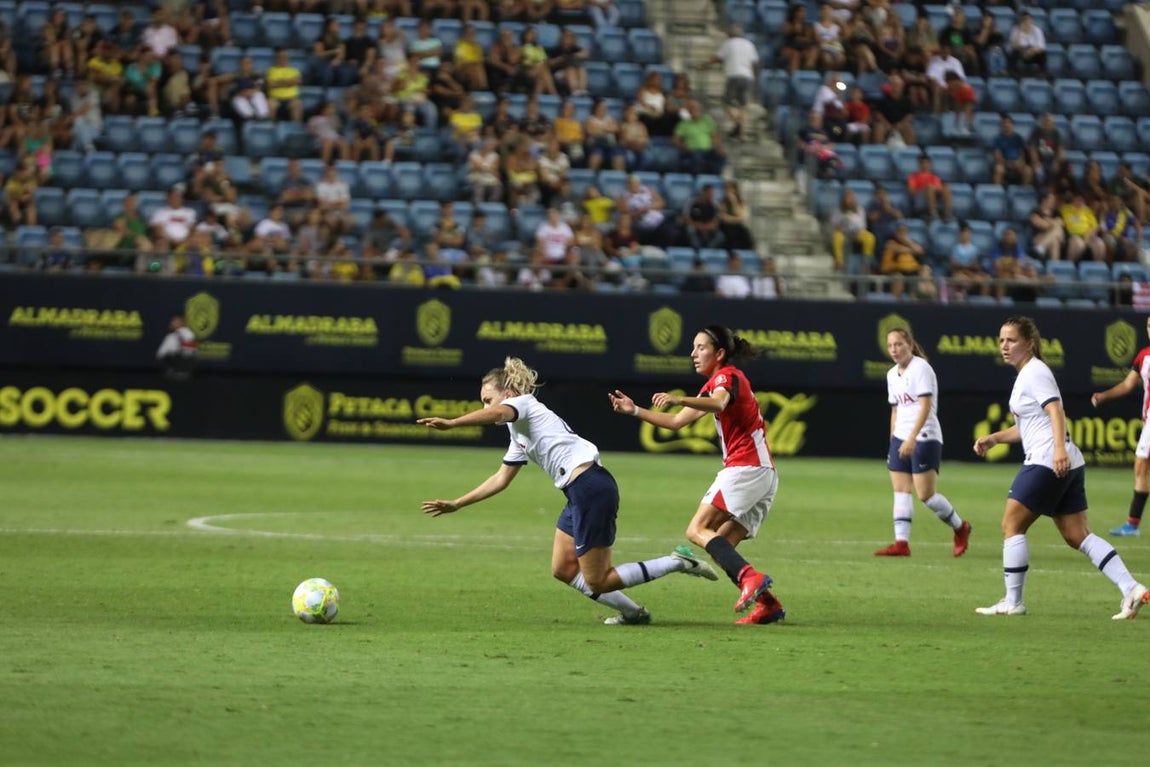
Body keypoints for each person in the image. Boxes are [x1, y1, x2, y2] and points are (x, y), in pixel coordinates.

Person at [418, 358, 718, 626]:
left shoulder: (524, 405)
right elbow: (500, 479)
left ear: (507, 395)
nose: (485, 407)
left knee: (599, 579)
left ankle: (679, 562)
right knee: (563, 568)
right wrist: (457, 503)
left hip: (590, 487)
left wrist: (454, 422)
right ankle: (634, 614)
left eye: (488, 400)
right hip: (578, 492)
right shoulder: (517, 432)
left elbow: (496, 414)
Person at [608, 326, 786, 626]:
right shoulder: (720, 382)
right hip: (763, 474)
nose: (693, 354)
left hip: (745, 468)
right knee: (721, 548)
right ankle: (768, 605)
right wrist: (634, 410)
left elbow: (717, 403)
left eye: (700, 347)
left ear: (718, 353)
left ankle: (750, 578)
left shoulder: (726, 376)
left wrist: (680, 398)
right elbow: (677, 423)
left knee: (696, 530)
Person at [973, 317, 1149, 619]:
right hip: (1064, 459)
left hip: (1047, 459)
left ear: (1029, 343)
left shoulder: (1034, 372)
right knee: (1076, 534)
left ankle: (1013, 601)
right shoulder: (1026, 375)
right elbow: (1027, 426)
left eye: (1011, 340)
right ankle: (1131, 588)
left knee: (1011, 525)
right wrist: (995, 438)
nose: (1004, 345)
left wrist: (1056, 450)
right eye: (1001, 340)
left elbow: (1056, 410)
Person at [875, 328, 971, 557]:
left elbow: (925, 407)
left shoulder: (921, 368)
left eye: (898, 344)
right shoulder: (891, 374)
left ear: (909, 343)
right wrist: (894, 438)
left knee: (926, 495)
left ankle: (960, 527)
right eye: (890, 346)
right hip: (901, 437)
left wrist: (911, 439)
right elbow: (895, 409)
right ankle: (901, 543)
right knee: (900, 489)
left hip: (924, 436)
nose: (894, 350)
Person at [1091, 315, 1150, 537]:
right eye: (1149, 325)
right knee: (1141, 467)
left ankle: (1133, 524)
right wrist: (1104, 395)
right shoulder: (1144, 355)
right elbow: (1128, 384)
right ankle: (1132, 524)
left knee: (1141, 465)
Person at [156, 315, 197, 379]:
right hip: (172, 369)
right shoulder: (170, 336)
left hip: (184, 366)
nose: (172, 323)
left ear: (181, 323)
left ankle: (181, 371)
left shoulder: (189, 334)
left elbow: (189, 352)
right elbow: (160, 355)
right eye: (172, 321)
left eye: (175, 321)